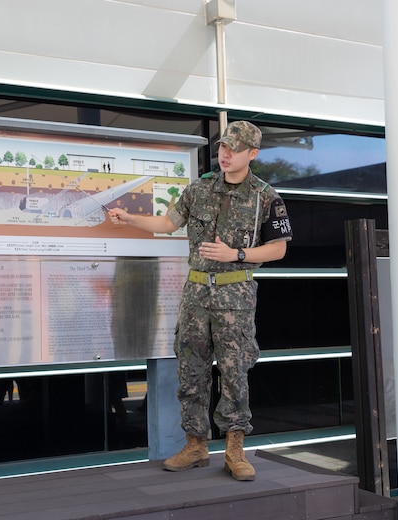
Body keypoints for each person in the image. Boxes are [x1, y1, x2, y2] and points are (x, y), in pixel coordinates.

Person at [108, 121, 292, 481]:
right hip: (195, 294)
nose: (226, 154)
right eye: (223, 147)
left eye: (235, 149)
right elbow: (167, 223)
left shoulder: (266, 197)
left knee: (234, 372)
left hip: (235, 296)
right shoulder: (199, 189)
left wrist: (235, 254)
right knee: (190, 371)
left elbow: (278, 249)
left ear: (252, 154)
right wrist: (129, 218)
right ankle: (195, 445)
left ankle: (235, 450)